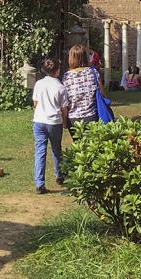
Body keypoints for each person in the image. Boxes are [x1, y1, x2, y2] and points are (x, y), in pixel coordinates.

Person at [32, 58, 69, 194]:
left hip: (39, 121)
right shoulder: (60, 86)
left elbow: (35, 103)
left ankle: (39, 182)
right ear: (57, 71)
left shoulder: (39, 84)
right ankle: (59, 175)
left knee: (40, 150)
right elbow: (64, 108)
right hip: (54, 122)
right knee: (56, 149)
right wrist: (65, 122)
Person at [63, 44, 105, 139]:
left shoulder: (66, 77)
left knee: (79, 148)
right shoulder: (93, 73)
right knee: (92, 147)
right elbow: (102, 94)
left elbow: (64, 99)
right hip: (91, 115)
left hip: (73, 118)